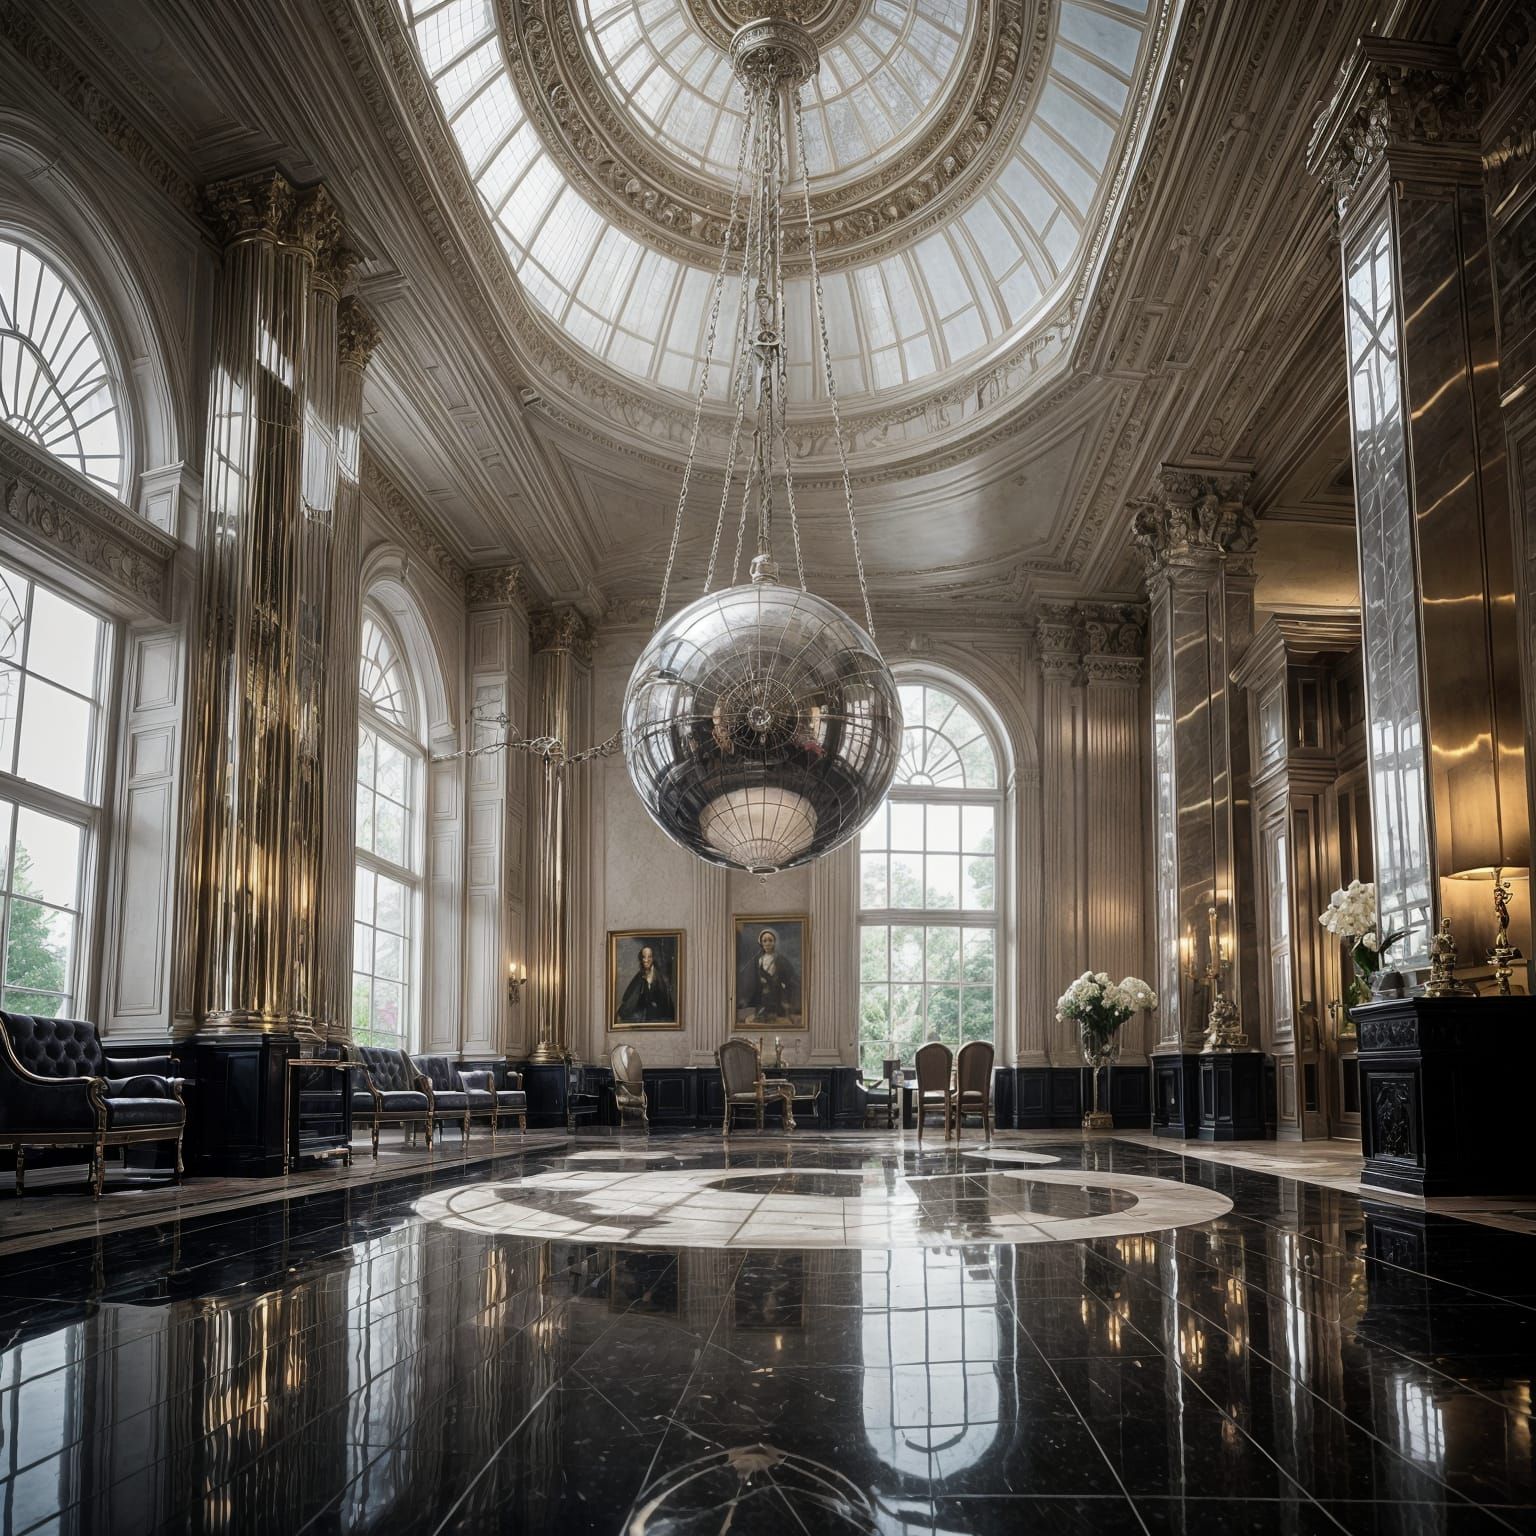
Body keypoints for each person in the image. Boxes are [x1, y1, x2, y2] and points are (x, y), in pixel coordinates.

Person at [739, 926, 799, 1023]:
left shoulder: (781, 960)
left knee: (777, 1016)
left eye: (770, 940)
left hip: (777, 995)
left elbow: (789, 979)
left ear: (774, 942)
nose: (767, 943)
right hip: (762, 996)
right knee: (761, 1015)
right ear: (761, 943)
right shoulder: (758, 960)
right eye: (764, 941)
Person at [616, 944, 675, 1024]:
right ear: (641, 959)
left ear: (653, 958)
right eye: (644, 957)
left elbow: (666, 1003)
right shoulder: (639, 976)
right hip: (642, 1016)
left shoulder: (659, 977)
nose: (646, 960)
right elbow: (630, 997)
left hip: (657, 1017)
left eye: (649, 957)